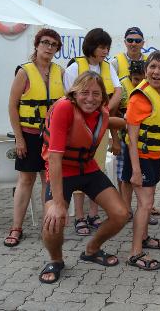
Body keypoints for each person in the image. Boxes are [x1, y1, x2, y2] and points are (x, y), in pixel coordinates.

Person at [39, 72, 128, 284]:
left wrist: (130, 123)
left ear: (103, 99)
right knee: (53, 220)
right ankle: (56, 260)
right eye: (85, 93)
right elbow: (54, 158)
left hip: (88, 169)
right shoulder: (64, 108)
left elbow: (110, 121)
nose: (90, 98)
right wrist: (58, 203)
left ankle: (92, 249)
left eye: (96, 94)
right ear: (74, 93)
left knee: (121, 214)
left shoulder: (100, 112)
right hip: (63, 171)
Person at [5, 29, 65, 247]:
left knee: (48, 181)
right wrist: (19, 139)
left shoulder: (60, 72)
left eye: (53, 44)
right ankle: (16, 227)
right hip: (29, 136)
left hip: (52, 137)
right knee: (26, 180)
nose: (49, 47)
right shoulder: (24, 72)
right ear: (37, 45)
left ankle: (46, 228)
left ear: (57, 49)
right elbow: (13, 106)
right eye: (45, 43)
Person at [64, 28, 122, 236]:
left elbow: (118, 90)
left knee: (95, 170)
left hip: (99, 128)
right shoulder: (74, 67)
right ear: (91, 47)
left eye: (107, 47)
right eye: (101, 47)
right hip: (79, 128)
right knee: (79, 171)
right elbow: (68, 97)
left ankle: (93, 214)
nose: (105, 51)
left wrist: (104, 111)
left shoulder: (108, 67)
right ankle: (79, 217)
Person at [123, 51, 160, 270]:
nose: (156, 72)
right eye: (152, 67)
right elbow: (132, 139)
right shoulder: (139, 97)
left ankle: (144, 238)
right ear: (145, 70)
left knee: (149, 202)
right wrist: (135, 170)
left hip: (154, 157)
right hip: (141, 158)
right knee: (145, 204)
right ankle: (135, 253)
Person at [110, 27, 154, 224]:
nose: (134, 43)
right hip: (124, 128)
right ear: (125, 41)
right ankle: (125, 209)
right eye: (130, 40)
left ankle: (145, 206)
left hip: (145, 133)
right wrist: (115, 139)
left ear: (143, 42)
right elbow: (112, 106)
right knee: (125, 174)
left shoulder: (150, 66)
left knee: (145, 173)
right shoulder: (115, 64)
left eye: (137, 40)